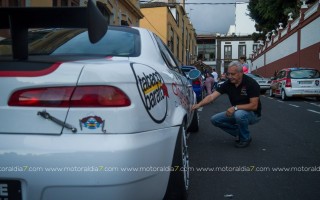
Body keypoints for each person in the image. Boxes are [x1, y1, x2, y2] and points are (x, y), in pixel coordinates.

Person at [192, 61, 262, 148]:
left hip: (253, 114)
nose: (230, 77)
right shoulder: (228, 83)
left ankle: (245, 138)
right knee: (215, 120)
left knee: (239, 114)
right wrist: (199, 104)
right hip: (237, 112)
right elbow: (212, 97)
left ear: (241, 73)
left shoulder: (251, 84)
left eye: (233, 74)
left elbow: (254, 106)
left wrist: (235, 108)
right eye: (228, 74)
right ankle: (240, 133)